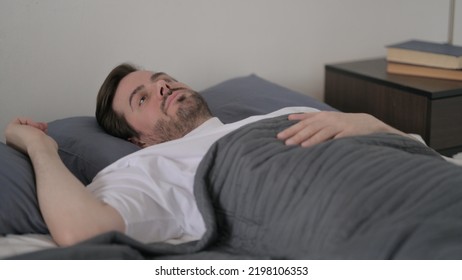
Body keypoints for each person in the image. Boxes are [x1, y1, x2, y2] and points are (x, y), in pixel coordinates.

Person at [4, 63, 418, 247]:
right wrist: (40, 146)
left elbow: (415, 151)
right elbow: (83, 232)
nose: (163, 87)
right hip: (375, 222)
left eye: (163, 79)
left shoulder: (280, 115)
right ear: (137, 139)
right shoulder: (150, 165)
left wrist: (370, 122)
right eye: (143, 97)